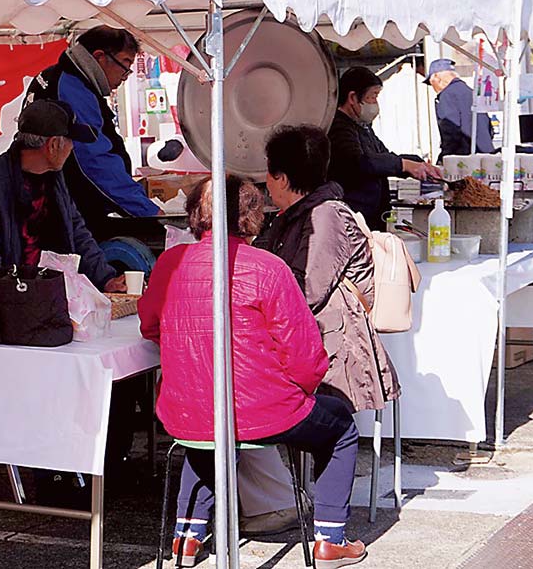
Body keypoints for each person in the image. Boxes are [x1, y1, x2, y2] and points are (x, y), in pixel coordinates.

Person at [138, 176, 367, 568]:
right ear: (252, 216)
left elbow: (150, 325)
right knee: (342, 428)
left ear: (195, 215)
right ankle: (330, 539)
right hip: (264, 410)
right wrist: (301, 392)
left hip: (186, 408)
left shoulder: (170, 262)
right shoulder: (268, 268)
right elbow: (305, 356)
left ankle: (186, 539)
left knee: (206, 436)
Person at [256, 125, 400, 413]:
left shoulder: (326, 216)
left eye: (269, 174)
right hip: (308, 347)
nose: (266, 183)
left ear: (282, 179)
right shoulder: (294, 217)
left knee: (330, 435)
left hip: (332, 353)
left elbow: (306, 289)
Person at [0, 99, 125, 326]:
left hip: (45, 310)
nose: (73, 148)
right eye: (70, 141)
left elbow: (78, 233)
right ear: (53, 145)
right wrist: (20, 305)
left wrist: (106, 278)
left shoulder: (54, 179)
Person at [25, 25, 163, 242]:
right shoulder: (72, 87)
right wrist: (146, 210)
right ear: (99, 57)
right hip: (70, 213)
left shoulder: (57, 76)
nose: (126, 76)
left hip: (55, 208)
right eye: (124, 65)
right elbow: (94, 160)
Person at [328, 66, 441, 230]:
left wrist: (419, 165)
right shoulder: (338, 127)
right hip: (353, 218)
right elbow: (359, 162)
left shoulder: (362, 127)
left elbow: (385, 156)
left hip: (371, 217)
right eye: (372, 97)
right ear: (352, 97)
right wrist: (404, 164)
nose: (375, 103)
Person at [424, 58, 495, 161]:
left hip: (464, 160)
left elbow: (450, 131)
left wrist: (444, 158)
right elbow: (489, 129)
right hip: (487, 156)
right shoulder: (472, 93)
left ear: (437, 78)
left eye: (431, 83)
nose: (433, 87)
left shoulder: (447, 95)